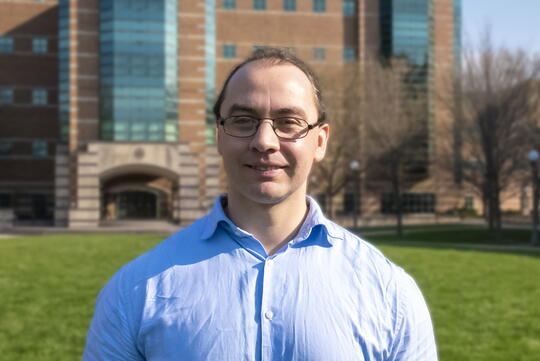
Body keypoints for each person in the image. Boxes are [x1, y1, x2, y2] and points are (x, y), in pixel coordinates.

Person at [83, 48, 438, 361]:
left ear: (320, 141)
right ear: (219, 136)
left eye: (289, 122)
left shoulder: (389, 292)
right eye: (243, 121)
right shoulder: (135, 289)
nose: (264, 140)